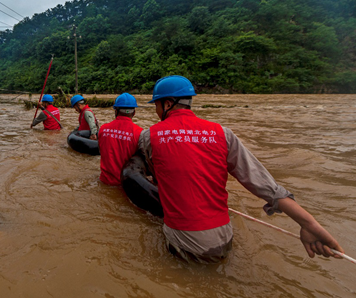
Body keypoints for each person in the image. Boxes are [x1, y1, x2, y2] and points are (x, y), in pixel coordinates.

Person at [136, 75, 344, 263]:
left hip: (186, 240)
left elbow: (159, 176)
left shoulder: (149, 137)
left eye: (157, 105)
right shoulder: (223, 134)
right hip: (224, 236)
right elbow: (264, 185)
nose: (156, 110)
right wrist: (309, 224)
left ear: (168, 103)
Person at [98, 93, 143, 186]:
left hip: (104, 182)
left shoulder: (103, 129)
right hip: (125, 184)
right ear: (134, 112)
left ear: (116, 111)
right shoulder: (139, 133)